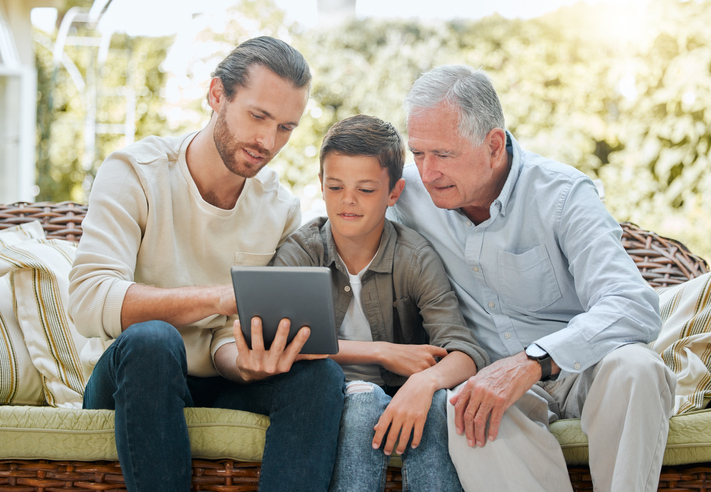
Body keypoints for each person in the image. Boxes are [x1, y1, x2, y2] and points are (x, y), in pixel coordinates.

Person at [67, 36, 345, 492]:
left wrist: (249, 364)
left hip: (220, 378)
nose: (267, 141)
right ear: (217, 95)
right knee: (155, 341)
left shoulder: (279, 208)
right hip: (133, 377)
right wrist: (217, 297)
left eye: (285, 128)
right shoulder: (135, 172)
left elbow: (224, 339)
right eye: (258, 116)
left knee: (319, 377)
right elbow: (89, 298)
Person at [389, 65, 677, 492]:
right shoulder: (408, 193)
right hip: (496, 387)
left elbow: (632, 304)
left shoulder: (562, 195)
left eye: (444, 155)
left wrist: (533, 361)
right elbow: (338, 222)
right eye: (418, 153)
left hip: (586, 370)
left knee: (638, 368)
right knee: (462, 406)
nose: (427, 172)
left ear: (493, 144)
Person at [272, 114, 489, 491]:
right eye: (336, 187)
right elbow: (280, 339)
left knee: (438, 405)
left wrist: (425, 382)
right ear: (321, 185)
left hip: (400, 392)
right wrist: (382, 352)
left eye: (366, 190)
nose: (348, 201)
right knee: (362, 403)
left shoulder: (414, 256)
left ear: (394, 193)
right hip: (329, 396)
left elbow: (464, 351)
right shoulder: (302, 250)